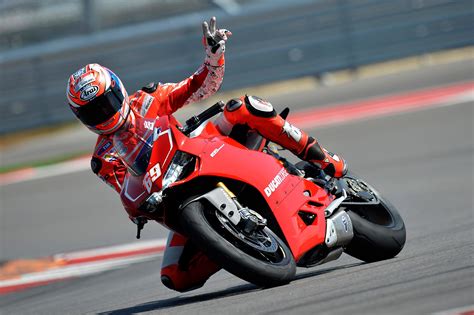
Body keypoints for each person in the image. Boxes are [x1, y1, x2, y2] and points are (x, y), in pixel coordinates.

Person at [66, 17, 346, 292]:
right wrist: (139, 211)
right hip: (173, 194)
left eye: (107, 103)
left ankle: (322, 158)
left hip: (206, 148)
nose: (105, 113)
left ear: (119, 90)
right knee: (176, 277)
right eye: (94, 111)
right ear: (82, 117)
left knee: (245, 107)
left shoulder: (148, 99)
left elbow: (200, 86)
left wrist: (214, 56)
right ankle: (235, 242)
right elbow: (131, 190)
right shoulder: (103, 158)